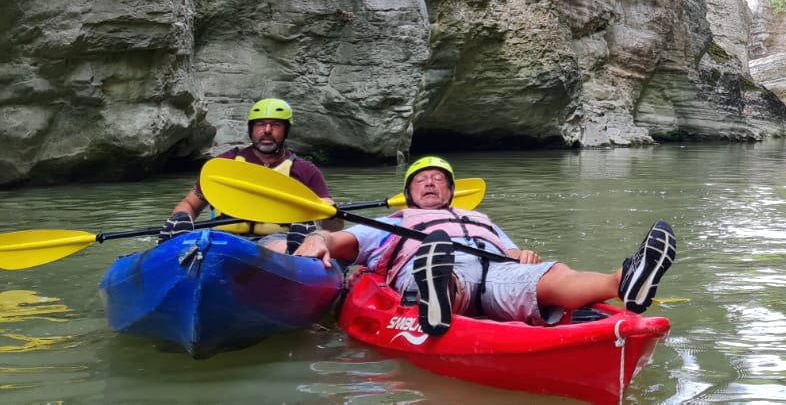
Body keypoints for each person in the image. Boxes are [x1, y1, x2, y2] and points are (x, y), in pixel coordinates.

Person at [294, 156, 677, 336]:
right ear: (408, 193)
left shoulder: (480, 219)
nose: (430, 183)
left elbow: (510, 252)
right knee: (445, 273)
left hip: (495, 269)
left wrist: (522, 257)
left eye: (438, 180)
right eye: (421, 180)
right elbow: (336, 241)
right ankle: (439, 294)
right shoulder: (390, 222)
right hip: (432, 266)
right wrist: (317, 237)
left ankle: (623, 280)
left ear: (451, 191)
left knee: (549, 275)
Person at [159, 98, 335, 252]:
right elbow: (190, 204)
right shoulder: (226, 164)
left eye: (275, 125)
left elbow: (334, 228)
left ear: (286, 130)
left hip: (276, 240)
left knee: (279, 247)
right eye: (260, 124)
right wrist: (180, 218)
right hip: (225, 238)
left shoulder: (305, 170)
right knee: (201, 245)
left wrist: (328, 213)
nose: (267, 130)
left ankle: (294, 253)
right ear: (251, 129)